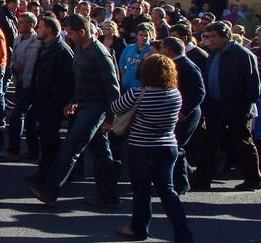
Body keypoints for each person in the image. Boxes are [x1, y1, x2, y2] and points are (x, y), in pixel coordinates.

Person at [31, 14, 121, 208]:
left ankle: (50, 192)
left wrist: (110, 118)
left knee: (70, 148)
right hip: (84, 105)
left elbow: (113, 89)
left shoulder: (100, 54)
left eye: (71, 33)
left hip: (96, 108)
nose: (68, 36)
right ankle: (110, 196)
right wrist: (73, 101)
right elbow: (79, 82)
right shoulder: (79, 48)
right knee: (101, 152)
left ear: (82, 32)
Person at [109, 54, 193, 243]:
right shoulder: (175, 94)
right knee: (168, 191)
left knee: (142, 191)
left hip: (142, 146)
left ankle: (138, 228)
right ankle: (183, 233)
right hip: (168, 145)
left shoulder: (138, 93)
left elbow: (116, 108)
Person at [192, 20, 261, 191]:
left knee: (243, 143)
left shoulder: (242, 55)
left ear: (225, 36)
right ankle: (202, 180)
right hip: (216, 107)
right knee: (210, 144)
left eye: (213, 36)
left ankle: (253, 179)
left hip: (238, 109)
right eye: (207, 36)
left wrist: (242, 108)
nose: (209, 40)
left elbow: (253, 86)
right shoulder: (214, 53)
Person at [28, 15, 75, 183]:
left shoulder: (62, 50)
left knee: (50, 138)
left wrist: (57, 100)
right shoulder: (45, 47)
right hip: (42, 100)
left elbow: (68, 81)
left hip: (53, 104)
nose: (37, 30)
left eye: (40, 27)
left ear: (48, 30)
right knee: (46, 138)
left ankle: (54, 174)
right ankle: (47, 171)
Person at [160, 36, 205, 194]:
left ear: (169, 50)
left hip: (186, 113)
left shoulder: (187, 66)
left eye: (162, 48)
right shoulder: (174, 64)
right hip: (176, 112)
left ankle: (179, 184)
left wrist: (185, 111)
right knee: (174, 146)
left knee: (176, 147)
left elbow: (199, 92)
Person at [6, 12, 42, 160]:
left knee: (17, 115)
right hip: (19, 81)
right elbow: (13, 57)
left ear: (31, 25)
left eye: (22, 22)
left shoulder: (38, 42)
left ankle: (13, 150)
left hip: (31, 83)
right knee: (29, 118)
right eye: (18, 21)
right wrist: (14, 67)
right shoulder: (17, 39)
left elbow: (36, 64)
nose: (18, 24)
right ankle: (33, 149)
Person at [120, 22, 155, 90]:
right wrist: (124, 78)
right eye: (141, 35)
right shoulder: (129, 48)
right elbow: (122, 64)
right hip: (127, 85)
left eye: (146, 35)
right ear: (136, 36)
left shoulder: (152, 50)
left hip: (142, 88)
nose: (144, 37)